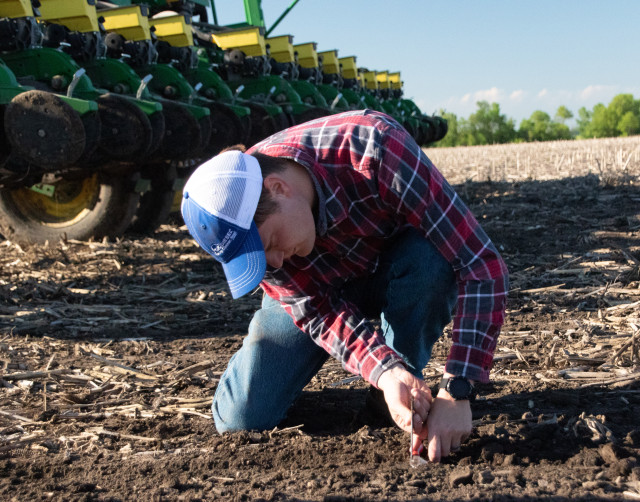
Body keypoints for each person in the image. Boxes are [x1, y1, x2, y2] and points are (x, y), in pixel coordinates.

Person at [181, 109, 508, 463]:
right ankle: (392, 379)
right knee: (241, 420)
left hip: (397, 268)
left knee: (431, 259)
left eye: (270, 242)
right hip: (317, 292)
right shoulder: (267, 248)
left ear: (278, 188)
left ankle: (399, 392)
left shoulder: (372, 147)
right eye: (257, 261)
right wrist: (385, 371)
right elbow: (320, 312)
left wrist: (457, 390)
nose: (272, 264)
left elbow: (479, 263)